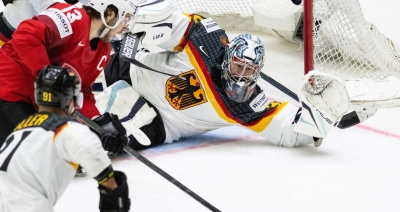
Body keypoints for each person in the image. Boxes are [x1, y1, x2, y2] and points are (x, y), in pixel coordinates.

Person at [96, 9, 351, 153]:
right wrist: (138, 25)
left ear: (258, 72)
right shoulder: (205, 43)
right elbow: (172, 22)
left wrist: (315, 126)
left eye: (249, 70)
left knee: (111, 137)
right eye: (238, 66)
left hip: (161, 123)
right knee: (86, 54)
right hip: (131, 69)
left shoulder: (247, 104)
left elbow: (286, 129)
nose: (241, 75)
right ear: (227, 57)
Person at [0, 0, 139, 149]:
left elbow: (81, 91)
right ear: (110, 13)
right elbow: (25, 36)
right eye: (126, 19)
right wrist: (48, 76)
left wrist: (98, 123)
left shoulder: (103, 52)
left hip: (34, 102)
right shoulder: (73, 17)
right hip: (8, 89)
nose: (125, 27)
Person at [0, 65, 130, 212]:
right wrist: (113, 194)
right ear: (71, 99)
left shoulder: (20, 129)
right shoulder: (67, 129)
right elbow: (93, 155)